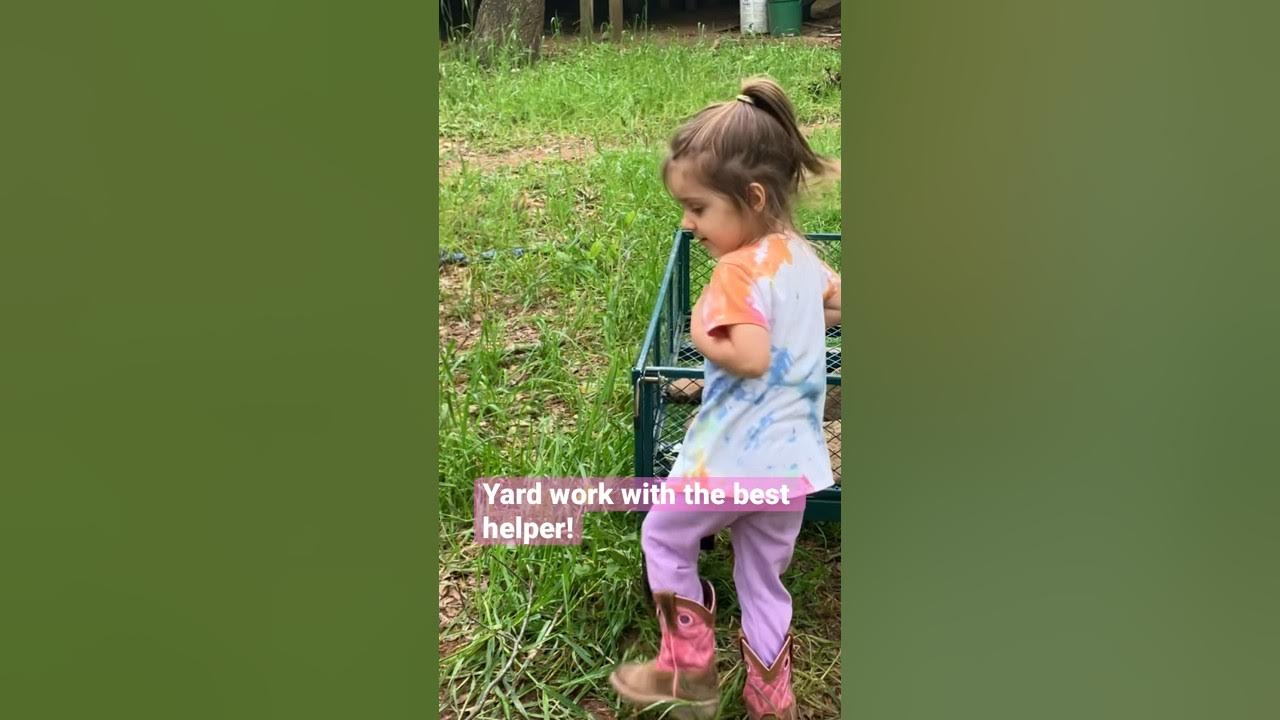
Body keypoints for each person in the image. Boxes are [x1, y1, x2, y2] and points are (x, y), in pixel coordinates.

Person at [609, 77, 841, 720]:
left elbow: (750, 355)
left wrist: (702, 333)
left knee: (662, 536)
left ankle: (689, 670)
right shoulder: (798, 255)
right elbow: (838, 300)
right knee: (762, 578)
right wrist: (807, 319)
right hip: (793, 468)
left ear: (753, 197)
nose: (688, 222)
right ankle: (771, 696)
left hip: (733, 462)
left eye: (699, 207)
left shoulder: (736, 271)